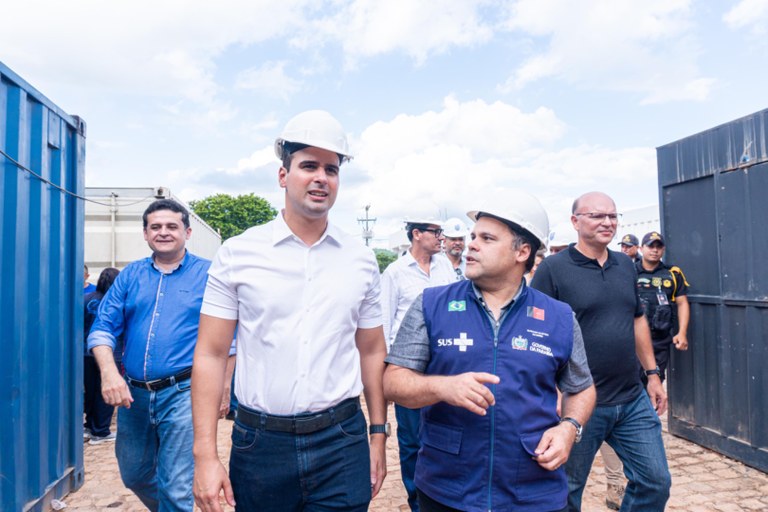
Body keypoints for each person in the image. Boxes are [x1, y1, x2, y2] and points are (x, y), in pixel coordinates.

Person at [191, 110, 388, 512]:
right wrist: (205, 456)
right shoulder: (238, 254)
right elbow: (211, 354)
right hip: (261, 446)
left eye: (331, 169)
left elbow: (371, 350)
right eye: (309, 166)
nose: (321, 178)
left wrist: (378, 436)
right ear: (283, 175)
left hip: (341, 441)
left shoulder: (361, 259)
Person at [383, 192, 596, 512]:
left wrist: (569, 428)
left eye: (487, 238)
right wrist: (441, 386)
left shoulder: (559, 317)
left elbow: (581, 388)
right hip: (448, 489)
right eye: (472, 236)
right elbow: (393, 382)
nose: (472, 245)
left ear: (522, 251)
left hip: (532, 490)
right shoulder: (431, 305)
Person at [87, 198, 233, 512]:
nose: (163, 232)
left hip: (184, 392)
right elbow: (102, 328)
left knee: (177, 485)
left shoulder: (209, 275)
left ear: (187, 232)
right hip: (133, 394)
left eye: (171, 226)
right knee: (135, 474)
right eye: (156, 227)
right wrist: (110, 373)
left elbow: (229, 339)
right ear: (145, 233)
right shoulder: (129, 276)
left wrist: (224, 387)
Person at [531, 191, 671, 512]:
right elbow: (536, 333)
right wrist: (552, 390)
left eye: (612, 216)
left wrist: (652, 375)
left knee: (655, 482)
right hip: (578, 402)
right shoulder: (553, 269)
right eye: (597, 216)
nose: (607, 222)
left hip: (631, 398)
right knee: (565, 493)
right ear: (575, 221)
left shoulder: (625, 264)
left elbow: (636, 319)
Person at [381, 217, 456, 510]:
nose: (441, 237)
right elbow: (385, 325)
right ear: (416, 234)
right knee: (412, 440)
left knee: (444, 434)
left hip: (445, 366)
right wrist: (387, 379)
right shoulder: (395, 274)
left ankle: (443, 494)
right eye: (435, 232)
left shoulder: (445, 267)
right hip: (409, 369)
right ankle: (417, 499)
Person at [637, 231, 690, 382]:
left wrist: (682, 333)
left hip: (659, 340)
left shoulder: (673, 274)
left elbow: (682, 303)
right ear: (641, 249)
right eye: (650, 246)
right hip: (633, 339)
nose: (655, 250)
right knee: (633, 383)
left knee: (656, 381)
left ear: (663, 250)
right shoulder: (630, 272)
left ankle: (653, 406)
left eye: (658, 247)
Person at [83, 267, 121, 445]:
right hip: (109, 352)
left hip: (85, 353)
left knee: (90, 391)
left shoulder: (87, 299)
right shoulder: (117, 301)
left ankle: (89, 426)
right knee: (106, 389)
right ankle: (101, 431)